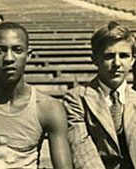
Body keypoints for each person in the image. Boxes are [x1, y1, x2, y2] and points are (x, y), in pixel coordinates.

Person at [0, 22, 72, 169]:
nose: (9, 58)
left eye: (17, 50)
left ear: (28, 55)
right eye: (0, 51)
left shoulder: (49, 108)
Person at [63, 21, 136, 169]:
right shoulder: (76, 99)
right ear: (94, 59)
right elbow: (82, 151)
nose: (117, 63)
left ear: (133, 60)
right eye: (109, 56)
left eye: (124, 56)